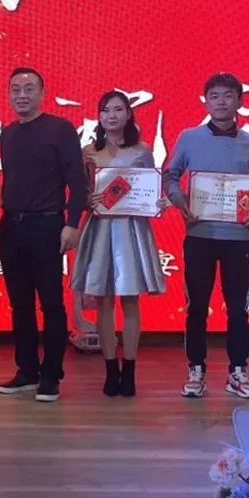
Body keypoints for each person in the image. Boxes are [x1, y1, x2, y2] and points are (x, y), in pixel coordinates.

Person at [165, 72, 249, 400]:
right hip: (199, 234)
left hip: (237, 238)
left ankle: (237, 372)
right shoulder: (189, 137)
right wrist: (180, 201)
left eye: (228, 96)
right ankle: (196, 369)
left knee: (238, 308)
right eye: (214, 96)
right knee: (197, 306)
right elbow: (170, 176)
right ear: (206, 102)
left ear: (239, 101)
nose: (221, 102)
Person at [0, 68, 90, 403]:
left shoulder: (60, 129)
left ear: (42, 93)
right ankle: (27, 372)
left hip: (47, 225)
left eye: (29, 89)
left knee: (50, 303)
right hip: (11, 226)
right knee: (19, 303)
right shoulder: (7, 134)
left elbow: (77, 182)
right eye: (15, 89)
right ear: (9, 94)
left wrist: (72, 223)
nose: (22, 95)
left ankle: (51, 376)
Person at [69, 91, 166, 398]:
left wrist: (159, 202)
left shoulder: (142, 151)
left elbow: (150, 189)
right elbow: (80, 194)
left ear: (128, 114)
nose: (111, 116)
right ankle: (111, 368)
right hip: (99, 228)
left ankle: (130, 369)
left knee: (130, 299)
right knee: (102, 300)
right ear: (99, 117)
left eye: (117, 110)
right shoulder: (88, 151)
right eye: (105, 111)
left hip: (131, 228)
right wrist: (87, 200)